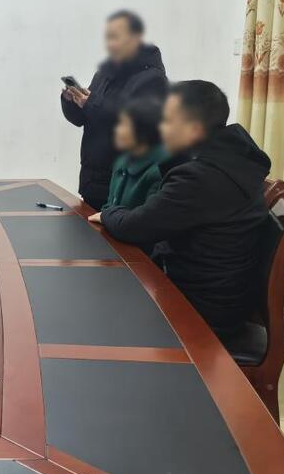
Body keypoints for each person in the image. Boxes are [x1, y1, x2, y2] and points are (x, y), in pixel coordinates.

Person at [89, 81, 271, 337]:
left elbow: (135, 227)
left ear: (194, 129)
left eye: (167, 121)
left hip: (202, 310)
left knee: (102, 308)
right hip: (225, 299)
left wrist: (107, 213)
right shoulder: (233, 159)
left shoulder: (201, 178)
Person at [61, 10, 167, 209]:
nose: (111, 44)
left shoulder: (152, 77)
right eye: (109, 37)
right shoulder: (104, 73)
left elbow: (139, 121)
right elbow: (82, 118)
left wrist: (91, 103)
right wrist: (71, 101)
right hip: (92, 176)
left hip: (123, 181)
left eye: (117, 37)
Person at [102, 98, 167, 212]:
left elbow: (148, 218)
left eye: (124, 124)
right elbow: (108, 206)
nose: (117, 130)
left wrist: (106, 216)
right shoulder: (121, 162)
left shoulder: (158, 172)